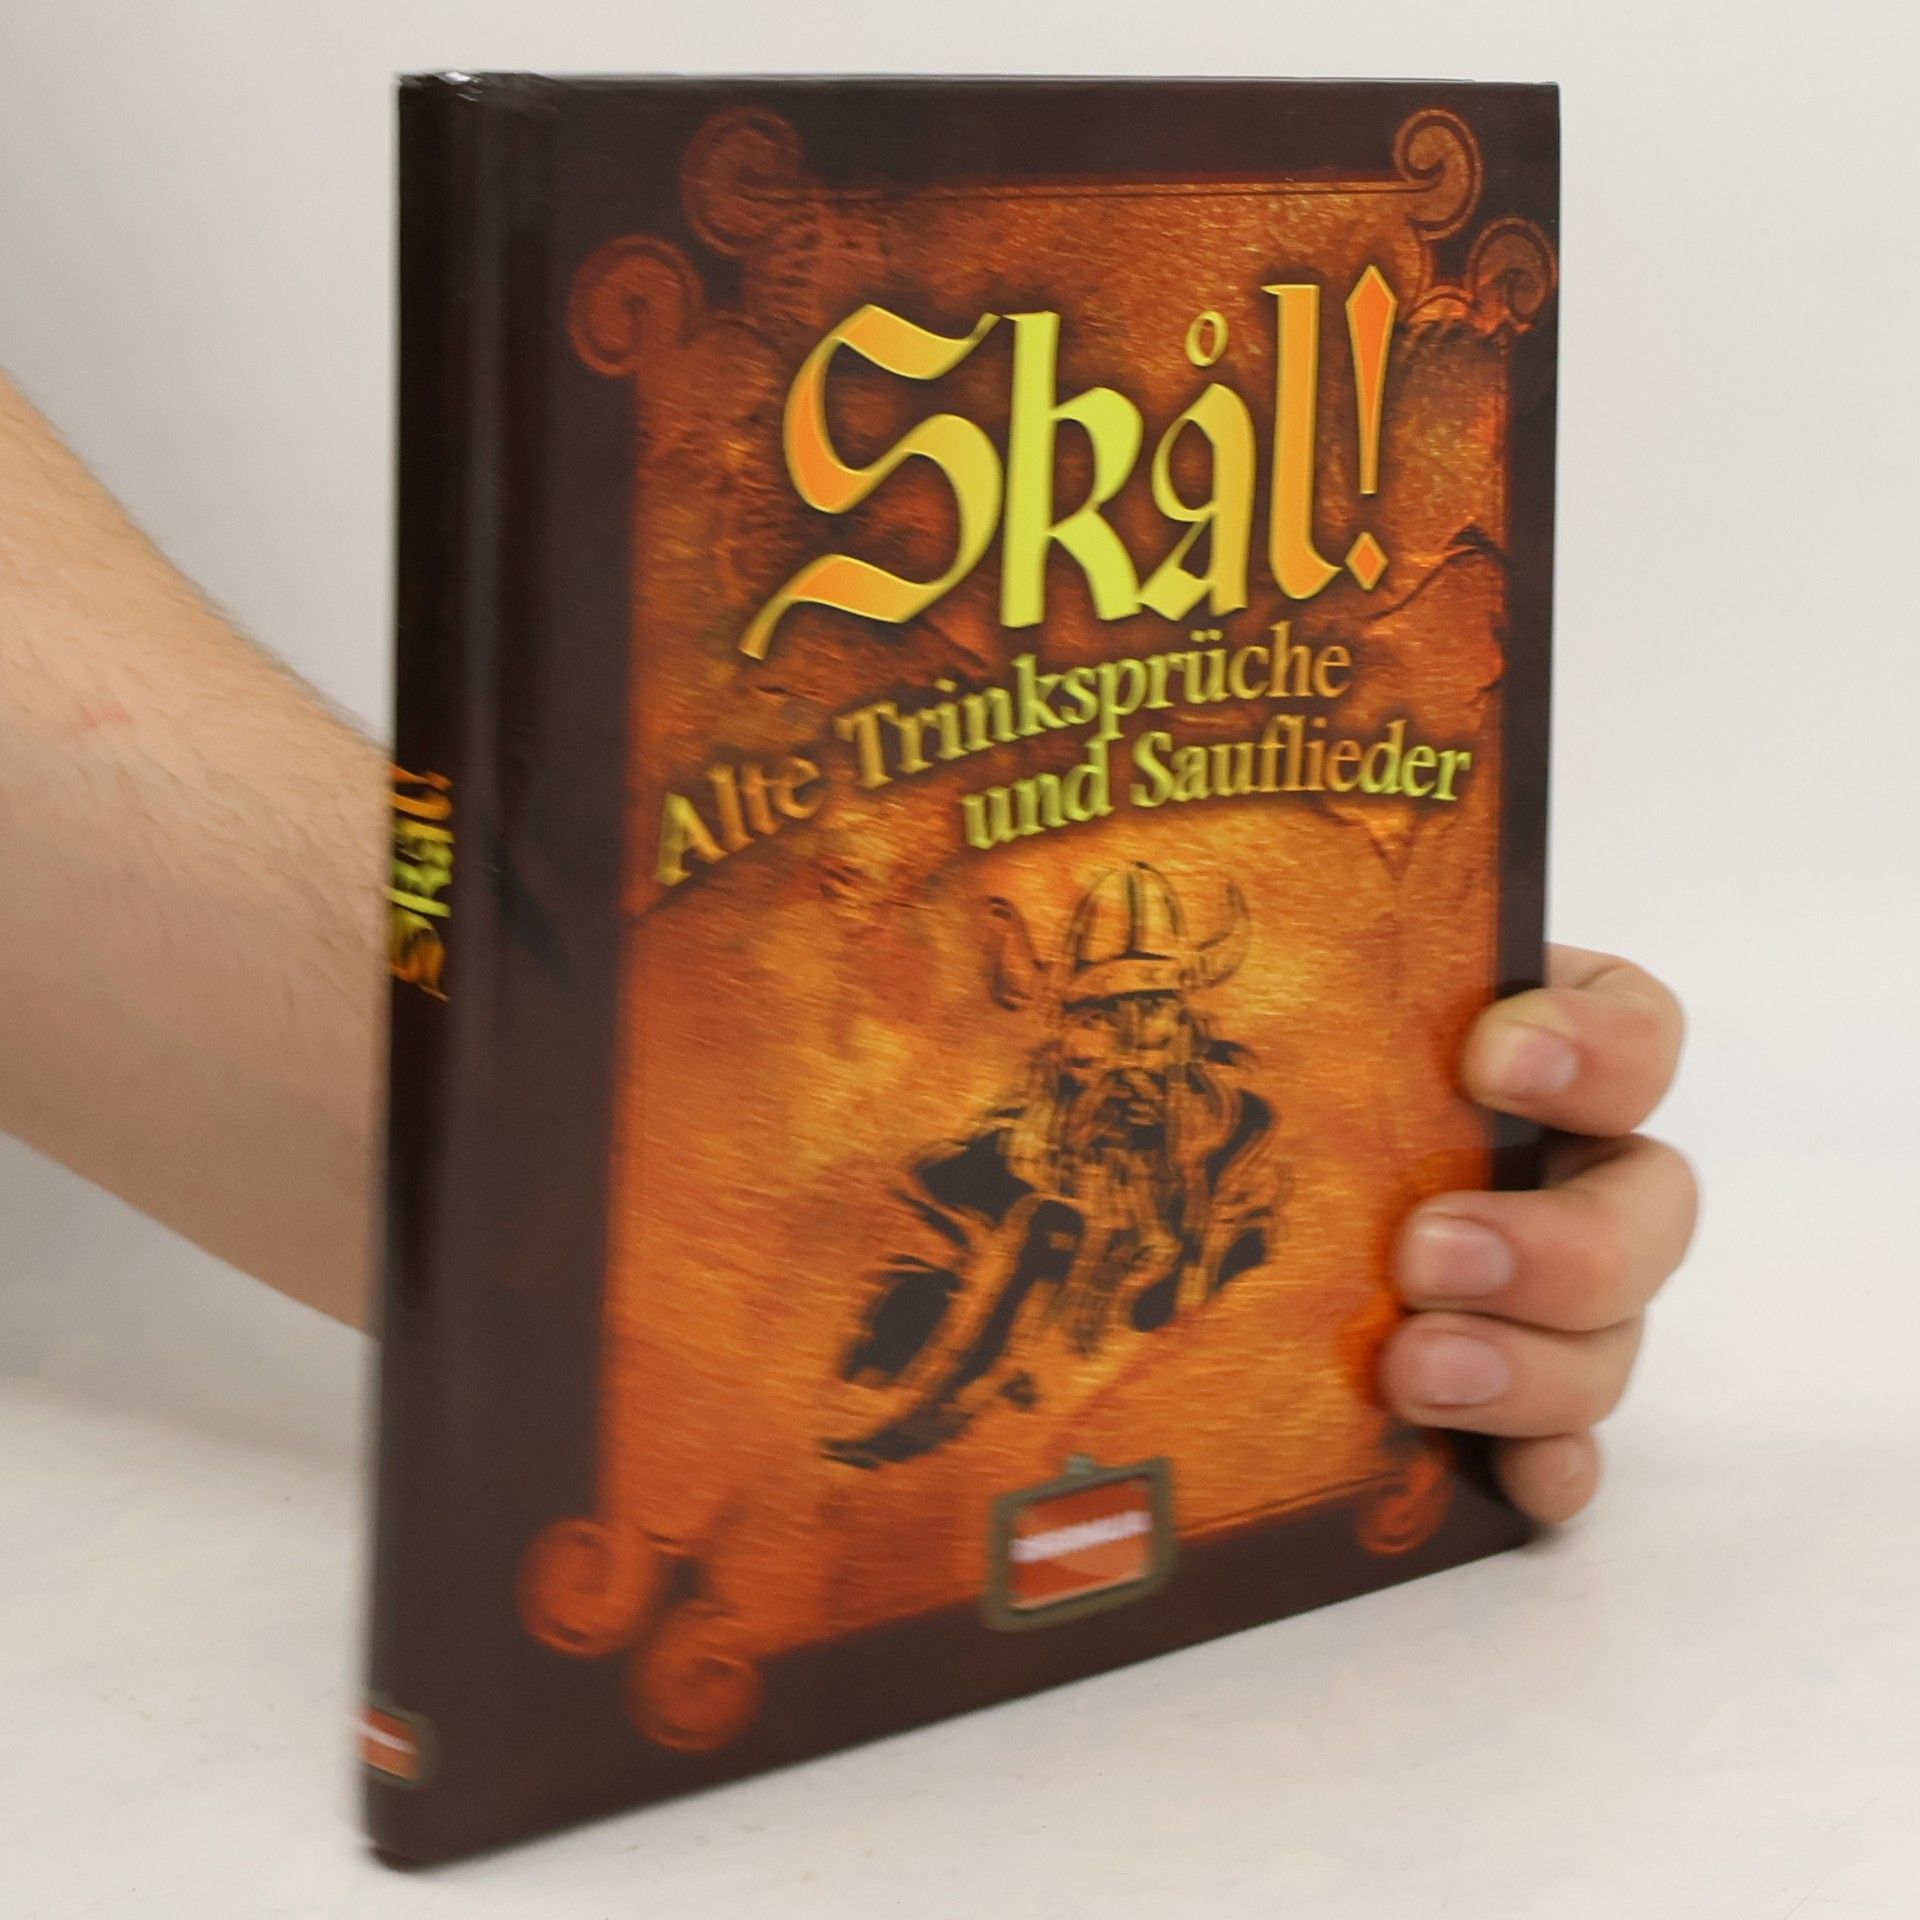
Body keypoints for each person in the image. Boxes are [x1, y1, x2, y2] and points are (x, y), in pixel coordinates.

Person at [0, 368, 1697, 1527]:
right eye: (1100, 1025)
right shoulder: (956, 1207)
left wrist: (1405, 1103)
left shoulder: (1253, 1145)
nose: (1133, 1055)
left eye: (1157, 1021)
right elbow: (866, 1400)